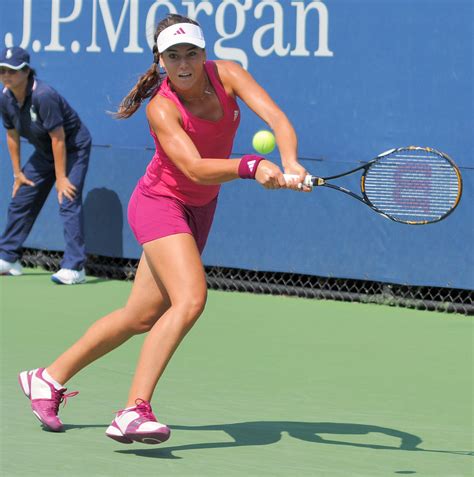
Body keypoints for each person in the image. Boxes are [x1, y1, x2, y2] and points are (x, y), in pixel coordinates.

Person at [18, 14, 309, 444]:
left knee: (139, 316)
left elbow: (278, 119)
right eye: (173, 56)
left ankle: (48, 377)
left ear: (204, 53)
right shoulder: (161, 107)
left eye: (191, 53)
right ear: (160, 61)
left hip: (199, 209)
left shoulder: (229, 74)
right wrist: (251, 166)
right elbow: (193, 166)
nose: (184, 63)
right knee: (190, 299)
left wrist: (290, 162)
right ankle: (134, 410)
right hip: (159, 204)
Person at [0, 46, 91, 284]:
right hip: (44, 151)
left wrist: (61, 178)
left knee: (67, 198)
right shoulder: (5, 97)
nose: (6, 75)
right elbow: (11, 135)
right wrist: (18, 173)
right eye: (2, 70)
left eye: (12, 70)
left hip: (72, 148)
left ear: (27, 71)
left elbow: (58, 138)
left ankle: (75, 267)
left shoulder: (43, 95)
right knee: (22, 196)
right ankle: (9, 258)